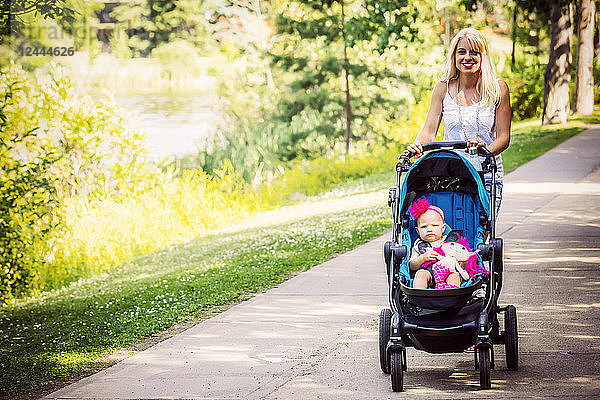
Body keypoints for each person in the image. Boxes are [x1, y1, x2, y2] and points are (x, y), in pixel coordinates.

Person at [406, 28, 511, 214]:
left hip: (486, 173)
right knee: (450, 230)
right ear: (454, 55)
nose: (467, 57)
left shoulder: (498, 89)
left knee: (480, 233)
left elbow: (503, 137)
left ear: (483, 56)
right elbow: (429, 131)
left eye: (474, 52)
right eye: (462, 52)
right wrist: (417, 146)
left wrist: (484, 151)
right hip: (451, 173)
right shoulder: (442, 88)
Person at [408, 198, 488, 289]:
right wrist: (422, 258)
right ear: (418, 231)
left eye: (434, 225)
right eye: (424, 227)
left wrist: (460, 262)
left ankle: (451, 293)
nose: (429, 229)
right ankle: (419, 294)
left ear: (443, 228)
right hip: (428, 273)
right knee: (420, 274)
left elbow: (464, 257)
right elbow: (412, 265)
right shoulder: (418, 246)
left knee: (454, 276)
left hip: (448, 272)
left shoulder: (451, 243)